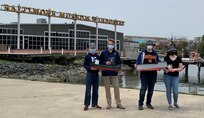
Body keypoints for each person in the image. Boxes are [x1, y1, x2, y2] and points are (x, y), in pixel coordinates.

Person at [99, 38, 125, 109]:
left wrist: (117, 66)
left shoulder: (116, 53)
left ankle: (118, 103)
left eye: (112, 44)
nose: (111, 45)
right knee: (107, 89)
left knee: (116, 88)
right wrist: (105, 63)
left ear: (114, 45)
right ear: (107, 44)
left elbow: (119, 62)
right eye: (109, 44)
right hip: (106, 73)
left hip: (114, 73)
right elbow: (100, 62)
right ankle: (109, 103)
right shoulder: (103, 53)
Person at [134, 40, 160, 110]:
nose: (150, 46)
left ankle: (148, 103)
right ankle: (140, 104)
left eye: (151, 45)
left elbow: (158, 62)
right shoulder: (142, 53)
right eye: (148, 44)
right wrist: (136, 65)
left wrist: (162, 66)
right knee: (143, 89)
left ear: (153, 46)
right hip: (144, 75)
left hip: (153, 75)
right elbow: (138, 62)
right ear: (146, 45)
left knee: (151, 90)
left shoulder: (155, 53)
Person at [163, 46, 184, 110]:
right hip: (167, 76)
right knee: (168, 90)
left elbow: (181, 68)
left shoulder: (178, 58)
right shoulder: (166, 58)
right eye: (171, 51)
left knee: (175, 91)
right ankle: (170, 104)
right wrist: (165, 70)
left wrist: (175, 69)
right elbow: (163, 66)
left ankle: (175, 102)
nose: (172, 52)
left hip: (175, 76)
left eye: (173, 51)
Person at [83, 43, 102, 111]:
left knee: (96, 90)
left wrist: (98, 68)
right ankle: (86, 104)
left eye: (94, 48)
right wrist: (90, 68)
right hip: (89, 74)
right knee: (88, 90)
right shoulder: (87, 56)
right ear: (89, 48)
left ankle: (95, 103)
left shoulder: (98, 56)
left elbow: (100, 64)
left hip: (96, 75)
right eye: (91, 48)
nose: (93, 49)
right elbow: (85, 65)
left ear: (95, 49)